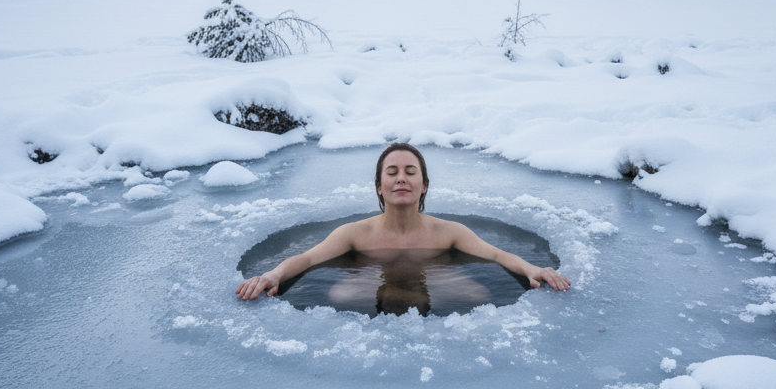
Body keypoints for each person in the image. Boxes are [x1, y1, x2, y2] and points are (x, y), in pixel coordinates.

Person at [235, 143, 570, 307]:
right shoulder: (356, 234)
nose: (401, 179)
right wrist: (274, 275)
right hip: (371, 284)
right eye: (391, 173)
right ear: (379, 186)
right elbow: (308, 259)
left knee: (479, 293)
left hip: (435, 282)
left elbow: (495, 255)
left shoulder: (448, 232)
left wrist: (530, 268)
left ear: (424, 185)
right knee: (338, 293)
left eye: (411, 172)